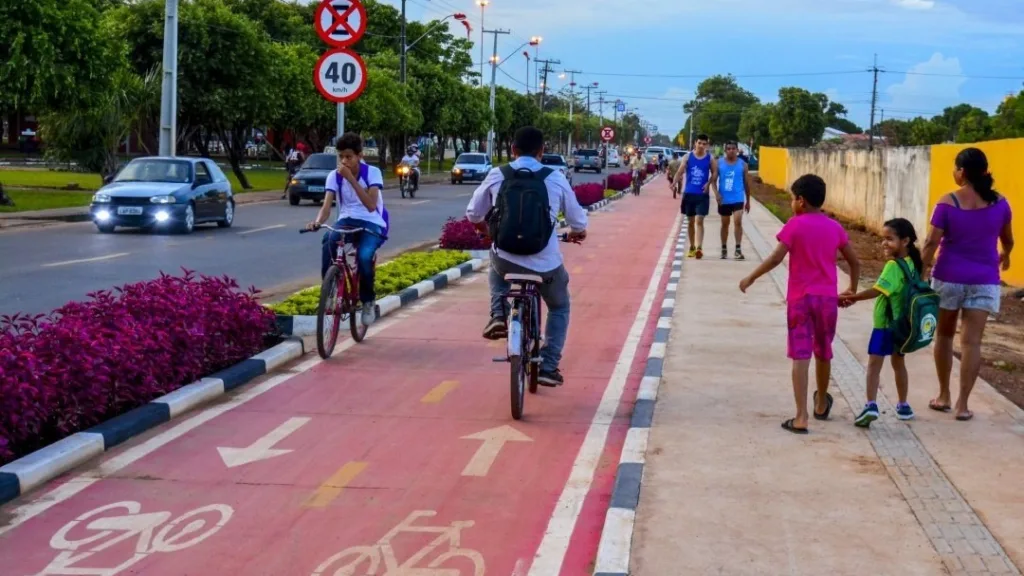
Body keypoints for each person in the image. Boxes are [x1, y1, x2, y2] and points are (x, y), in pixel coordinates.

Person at [466, 126, 588, 387]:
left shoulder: (498, 173)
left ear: (513, 150)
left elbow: (474, 213)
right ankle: (549, 365)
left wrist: (485, 230)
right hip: (546, 264)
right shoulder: (555, 177)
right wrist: (579, 232)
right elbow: (578, 220)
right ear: (542, 151)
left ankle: (498, 313)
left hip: (506, 258)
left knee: (496, 258)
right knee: (559, 306)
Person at [739, 174, 861, 434]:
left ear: (801, 201)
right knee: (824, 350)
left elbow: (775, 259)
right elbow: (854, 262)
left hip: (800, 301)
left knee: (800, 355)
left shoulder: (794, 225)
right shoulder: (834, 228)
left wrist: (751, 276)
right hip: (827, 300)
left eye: (793, 198)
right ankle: (820, 402)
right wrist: (852, 288)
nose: (792, 203)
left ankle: (801, 416)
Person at [921, 147, 1014, 422]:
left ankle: (944, 396)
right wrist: (1005, 256)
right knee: (972, 343)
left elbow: (930, 243)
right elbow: (1008, 239)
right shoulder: (1001, 203)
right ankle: (963, 405)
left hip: (948, 278)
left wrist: (919, 272)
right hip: (985, 281)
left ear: (961, 172)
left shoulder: (947, 203)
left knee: (945, 337)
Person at [839, 218, 922, 426]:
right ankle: (903, 405)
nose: (884, 243)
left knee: (874, 365)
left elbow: (877, 291)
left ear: (905, 241)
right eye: (882, 239)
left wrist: (852, 297)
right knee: (898, 363)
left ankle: (871, 405)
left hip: (885, 325)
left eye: (889, 239)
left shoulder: (893, 266)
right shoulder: (912, 263)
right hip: (903, 325)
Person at [305, 133, 387, 328]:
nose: (344, 161)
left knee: (365, 257)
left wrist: (351, 179)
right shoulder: (334, 176)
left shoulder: (372, 173)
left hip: (371, 221)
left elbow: (370, 205)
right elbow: (326, 207)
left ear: (359, 155)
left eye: (348, 156)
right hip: (346, 220)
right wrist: (317, 222)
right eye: (341, 156)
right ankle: (330, 289)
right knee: (329, 240)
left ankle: (367, 301)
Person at [673, 134, 717, 259]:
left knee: (699, 220)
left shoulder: (710, 158)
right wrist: (674, 182)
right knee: (690, 222)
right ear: (695, 143)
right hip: (689, 194)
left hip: (702, 195)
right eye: (700, 143)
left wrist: (708, 184)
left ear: (707, 145)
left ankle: (699, 247)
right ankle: (692, 247)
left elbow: (715, 173)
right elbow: (680, 171)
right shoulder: (688, 157)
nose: (702, 146)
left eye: (704, 144)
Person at [713, 141, 752, 260]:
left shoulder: (743, 165)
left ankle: (738, 249)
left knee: (738, 222)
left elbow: (746, 183)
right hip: (724, 199)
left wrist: (748, 201)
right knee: (725, 224)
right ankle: (724, 248)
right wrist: (716, 194)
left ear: (737, 150)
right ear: (725, 151)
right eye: (728, 149)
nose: (731, 150)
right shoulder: (719, 164)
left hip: (738, 198)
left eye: (733, 148)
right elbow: (713, 181)